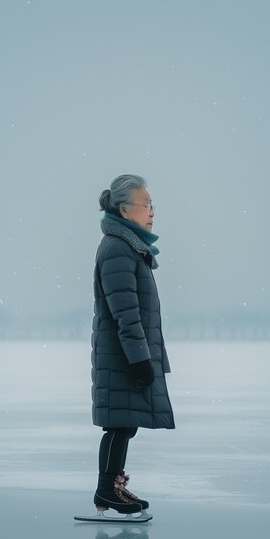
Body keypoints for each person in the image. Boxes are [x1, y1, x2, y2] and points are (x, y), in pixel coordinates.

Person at [90, 174, 175, 516]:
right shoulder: (117, 249)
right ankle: (107, 489)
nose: (152, 211)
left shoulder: (127, 247)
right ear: (125, 210)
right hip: (123, 355)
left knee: (125, 422)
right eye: (146, 204)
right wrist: (140, 359)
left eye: (152, 204)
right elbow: (125, 311)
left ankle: (111, 486)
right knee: (120, 423)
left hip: (127, 353)